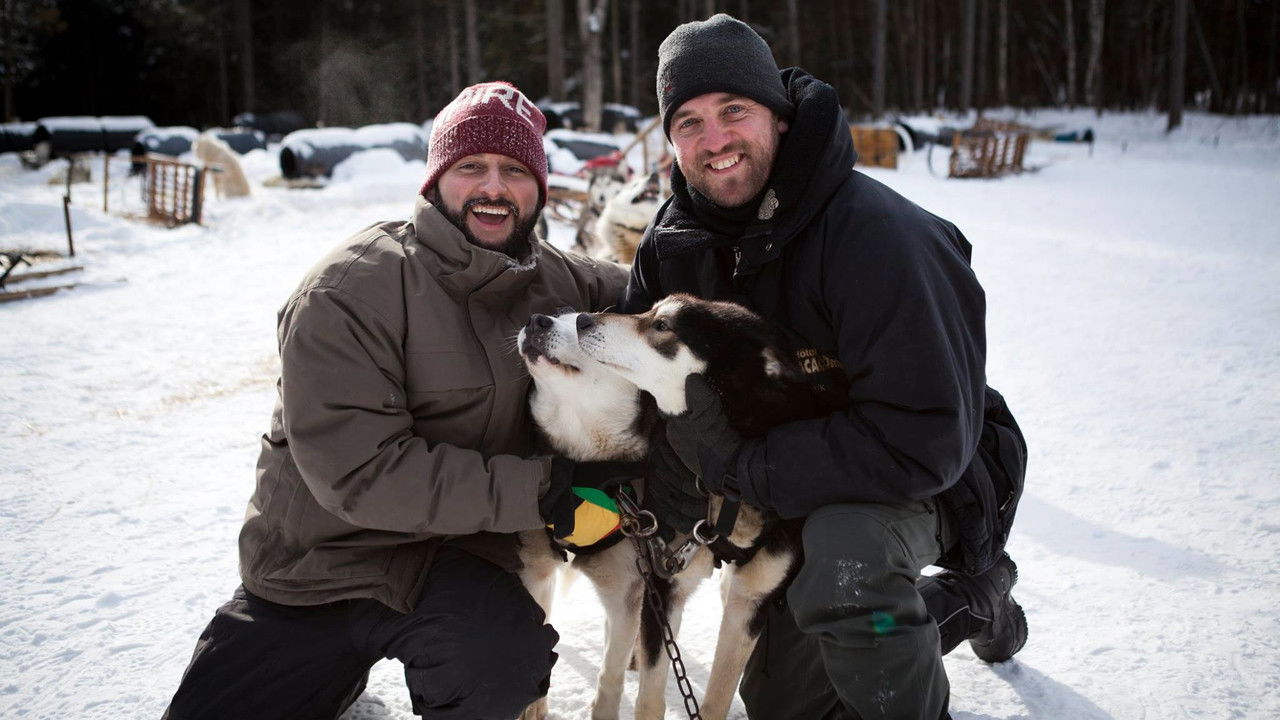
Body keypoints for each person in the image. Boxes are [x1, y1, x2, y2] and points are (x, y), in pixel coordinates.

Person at [163, 81, 636, 720]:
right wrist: (549, 488)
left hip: (458, 560)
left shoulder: (565, 281)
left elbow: (666, 303)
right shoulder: (349, 290)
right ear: (436, 178)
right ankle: (328, 677)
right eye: (471, 167)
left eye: (515, 171)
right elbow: (361, 473)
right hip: (319, 566)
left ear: (540, 188)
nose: (493, 187)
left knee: (503, 664)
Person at [624, 15, 1029, 720]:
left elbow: (922, 439)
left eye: (733, 112)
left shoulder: (882, 240)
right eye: (687, 122)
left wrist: (741, 467)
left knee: (846, 569)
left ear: (778, 117)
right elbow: (639, 375)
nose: (713, 141)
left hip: (934, 473)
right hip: (783, 482)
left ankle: (964, 595)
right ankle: (959, 609)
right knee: (793, 704)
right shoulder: (674, 243)